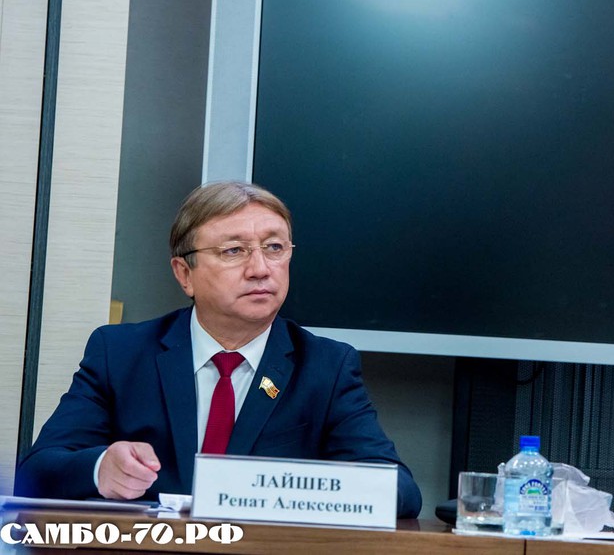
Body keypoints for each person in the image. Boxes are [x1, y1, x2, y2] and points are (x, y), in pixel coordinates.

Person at [14, 181, 422, 518]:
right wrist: (101, 468)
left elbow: (401, 491)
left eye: (274, 248)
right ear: (184, 274)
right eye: (234, 251)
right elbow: (35, 471)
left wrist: (299, 487)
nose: (260, 269)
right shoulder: (120, 353)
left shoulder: (326, 366)